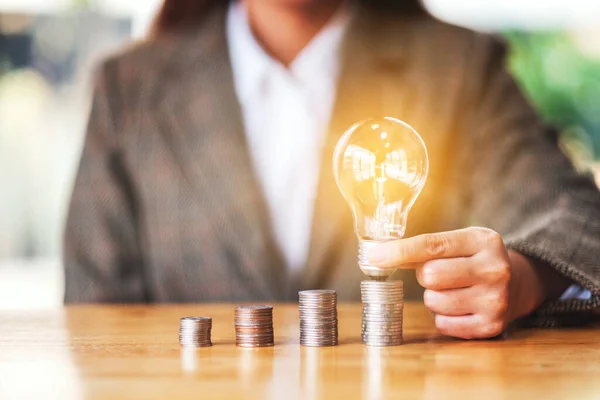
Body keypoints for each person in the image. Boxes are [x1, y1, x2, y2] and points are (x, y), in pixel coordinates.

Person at [64, 0, 600, 339]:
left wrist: (526, 277)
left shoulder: (456, 68)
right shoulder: (129, 89)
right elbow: (92, 316)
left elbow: (577, 217)